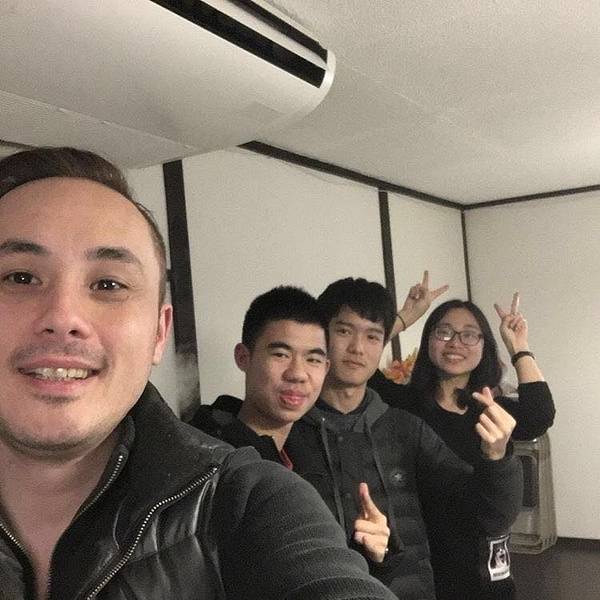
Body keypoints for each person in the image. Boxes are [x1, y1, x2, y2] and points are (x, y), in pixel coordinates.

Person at [0, 147, 398, 600]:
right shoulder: (223, 438)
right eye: (19, 278)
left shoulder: (250, 498)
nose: (63, 316)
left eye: (108, 284)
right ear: (244, 357)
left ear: (159, 332)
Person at [285, 277, 524, 600]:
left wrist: (497, 459)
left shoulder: (406, 428)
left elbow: (488, 513)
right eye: (343, 331)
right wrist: (404, 316)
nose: (358, 348)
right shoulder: (288, 429)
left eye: (373, 336)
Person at [369, 295, 555, 599]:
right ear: (428, 341)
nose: (455, 342)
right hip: (424, 566)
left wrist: (518, 346)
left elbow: (540, 413)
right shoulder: (403, 404)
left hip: (486, 568)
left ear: (484, 346)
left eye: (469, 335)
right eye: (444, 332)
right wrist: (403, 318)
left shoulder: (491, 411)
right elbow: (364, 363)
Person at [190, 285, 391, 563]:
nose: (298, 374)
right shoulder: (209, 458)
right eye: (281, 354)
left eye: (313, 359)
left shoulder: (312, 456)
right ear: (243, 357)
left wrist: (370, 552)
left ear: (326, 369)